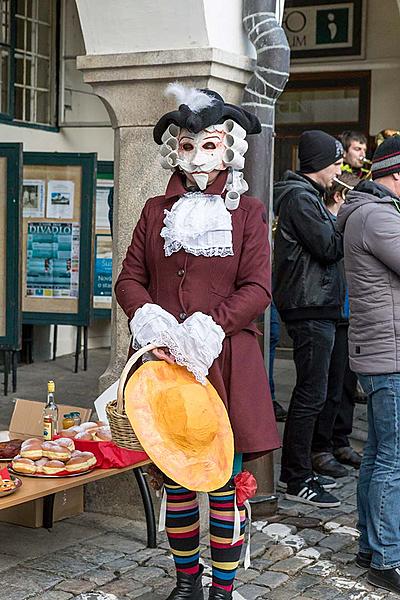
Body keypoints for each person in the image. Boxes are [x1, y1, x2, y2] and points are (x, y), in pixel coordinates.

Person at [115, 84, 280, 600]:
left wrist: (207, 328)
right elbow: (128, 280)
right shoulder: (153, 210)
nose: (196, 157)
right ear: (175, 150)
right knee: (178, 474)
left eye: (207, 145)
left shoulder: (248, 212)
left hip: (224, 360)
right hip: (164, 364)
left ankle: (224, 588)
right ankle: (188, 581)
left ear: (227, 147)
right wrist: (155, 327)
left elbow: (258, 289)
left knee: (225, 480)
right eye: (187, 146)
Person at [337, 135, 400, 594]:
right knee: (392, 461)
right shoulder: (378, 216)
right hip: (390, 353)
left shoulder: (370, 211)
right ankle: (386, 556)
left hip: (382, 350)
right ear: (394, 176)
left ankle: (370, 546)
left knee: (379, 455)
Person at [273, 129, 345, 507]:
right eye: (335, 162)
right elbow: (329, 248)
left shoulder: (307, 196)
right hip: (309, 305)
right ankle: (296, 475)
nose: (339, 169)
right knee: (310, 394)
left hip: (317, 304)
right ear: (318, 164)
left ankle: (301, 469)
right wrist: (335, 213)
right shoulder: (301, 198)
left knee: (318, 392)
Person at [311, 173, 362, 478]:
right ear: (341, 197)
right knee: (327, 385)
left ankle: (340, 440)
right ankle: (321, 447)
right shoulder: (326, 222)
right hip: (330, 310)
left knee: (345, 384)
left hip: (352, 311)